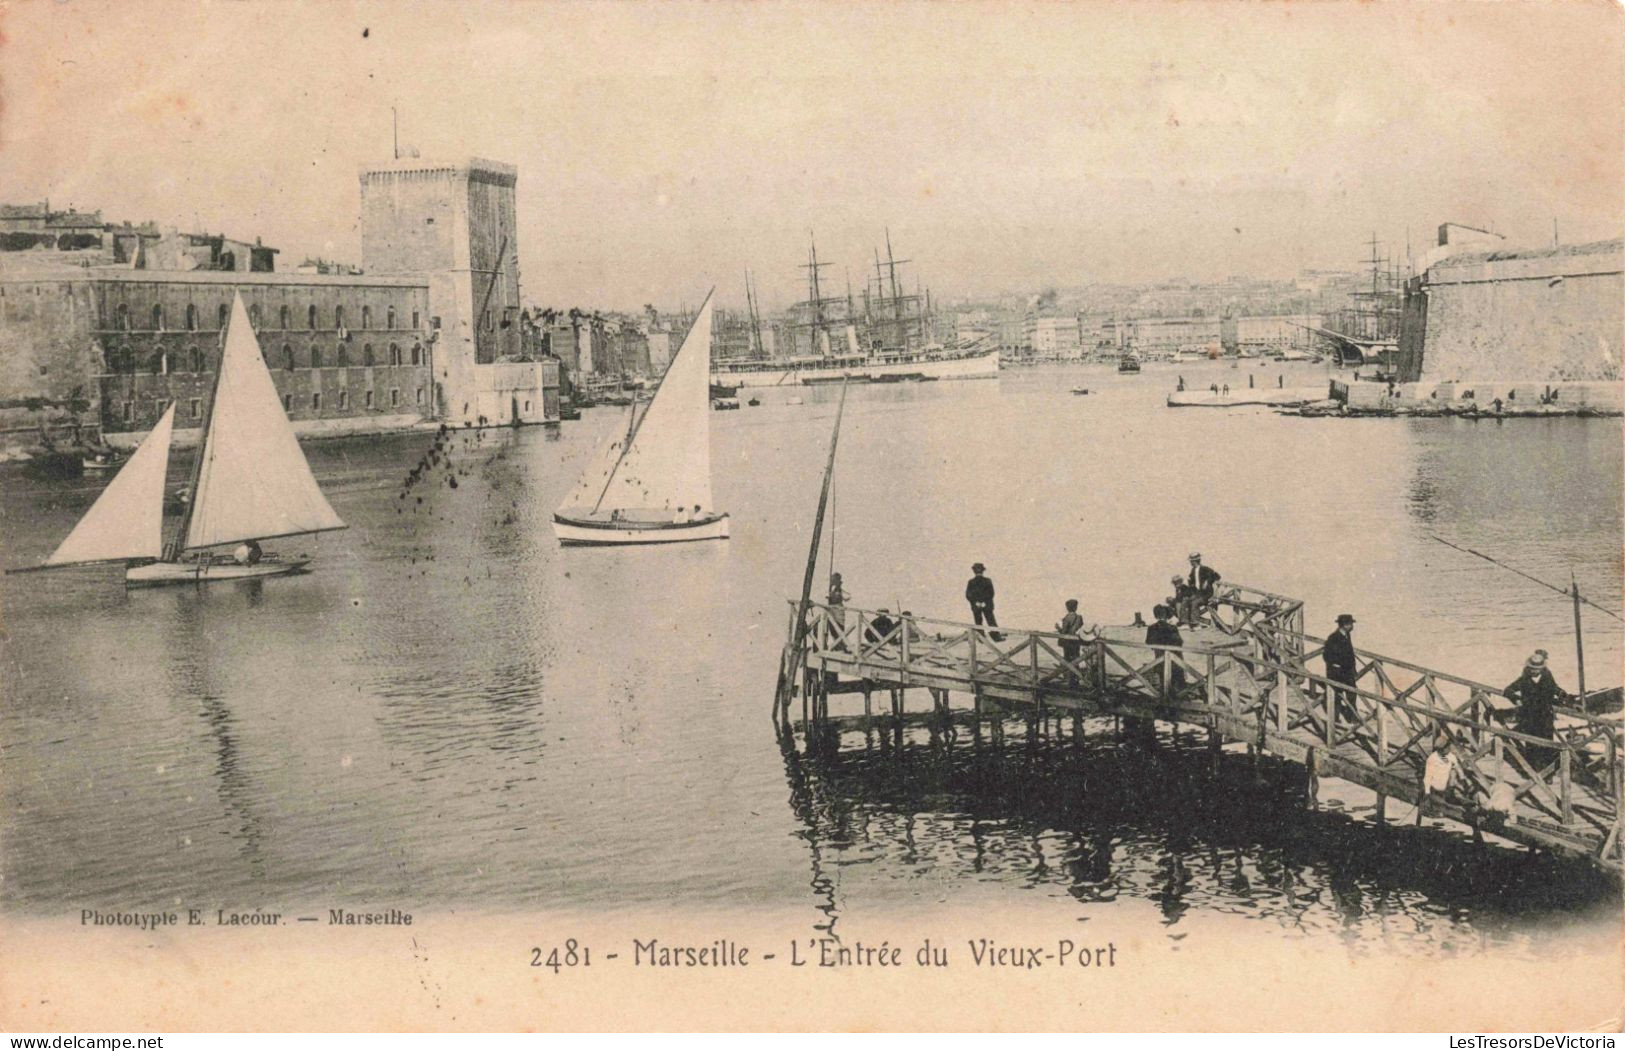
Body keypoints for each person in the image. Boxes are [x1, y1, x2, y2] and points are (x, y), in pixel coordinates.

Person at [1502, 649, 1567, 770]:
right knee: (1532, 746)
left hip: (1545, 718)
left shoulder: (1547, 677)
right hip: (1530, 718)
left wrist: (1562, 694)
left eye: (1536, 669)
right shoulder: (1524, 679)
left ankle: (1548, 773)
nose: (1534, 671)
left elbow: (1554, 689)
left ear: (1542, 668)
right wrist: (1516, 699)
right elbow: (1508, 690)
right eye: (1531, 668)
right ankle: (1533, 772)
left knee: (1548, 745)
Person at [1419, 733, 1463, 825]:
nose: (1449, 748)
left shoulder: (1450, 756)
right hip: (1436, 786)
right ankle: (1438, 807)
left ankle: (1452, 796)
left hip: (1447, 786)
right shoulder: (1432, 759)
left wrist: (1462, 777)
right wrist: (1427, 790)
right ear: (1441, 749)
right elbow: (1428, 776)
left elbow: (1457, 767)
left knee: (1454, 771)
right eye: (1447, 747)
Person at [1145, 604, 1186, 697]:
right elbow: (1180, 642)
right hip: (1175, 661)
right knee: (1177, 685)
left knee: (1164, 683)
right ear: (1167, 616)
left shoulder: (1151, 628)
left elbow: (1148, 642)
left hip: (1160, 660)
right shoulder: (1172, 628)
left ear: (1155, 615)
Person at [1323, 614, 1358, 722]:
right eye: (1350, 624)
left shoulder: (1347, 635)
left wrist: (1352, 668)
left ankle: (1351, 717)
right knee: (1337, 695)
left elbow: (1350, 654)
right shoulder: (1333, 638)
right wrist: (1337, 665)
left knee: (1352, 693)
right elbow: (1327, 655)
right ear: (1344, 625)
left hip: (1348, 671)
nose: (1352, 626)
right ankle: (1335, 718)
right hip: (1337, 672)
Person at [1056, 598, 1086, 676]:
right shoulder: (1080, 617)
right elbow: (1081, 628)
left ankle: (1067, 675)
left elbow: (1063, 632)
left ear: (1067, 608)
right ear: (1076, 607)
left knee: (1067, 658)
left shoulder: (1067, 618)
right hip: (1076, 642)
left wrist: (1058, 627)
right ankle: (1076, 675)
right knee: (1076, 658)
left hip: (1067, 642)